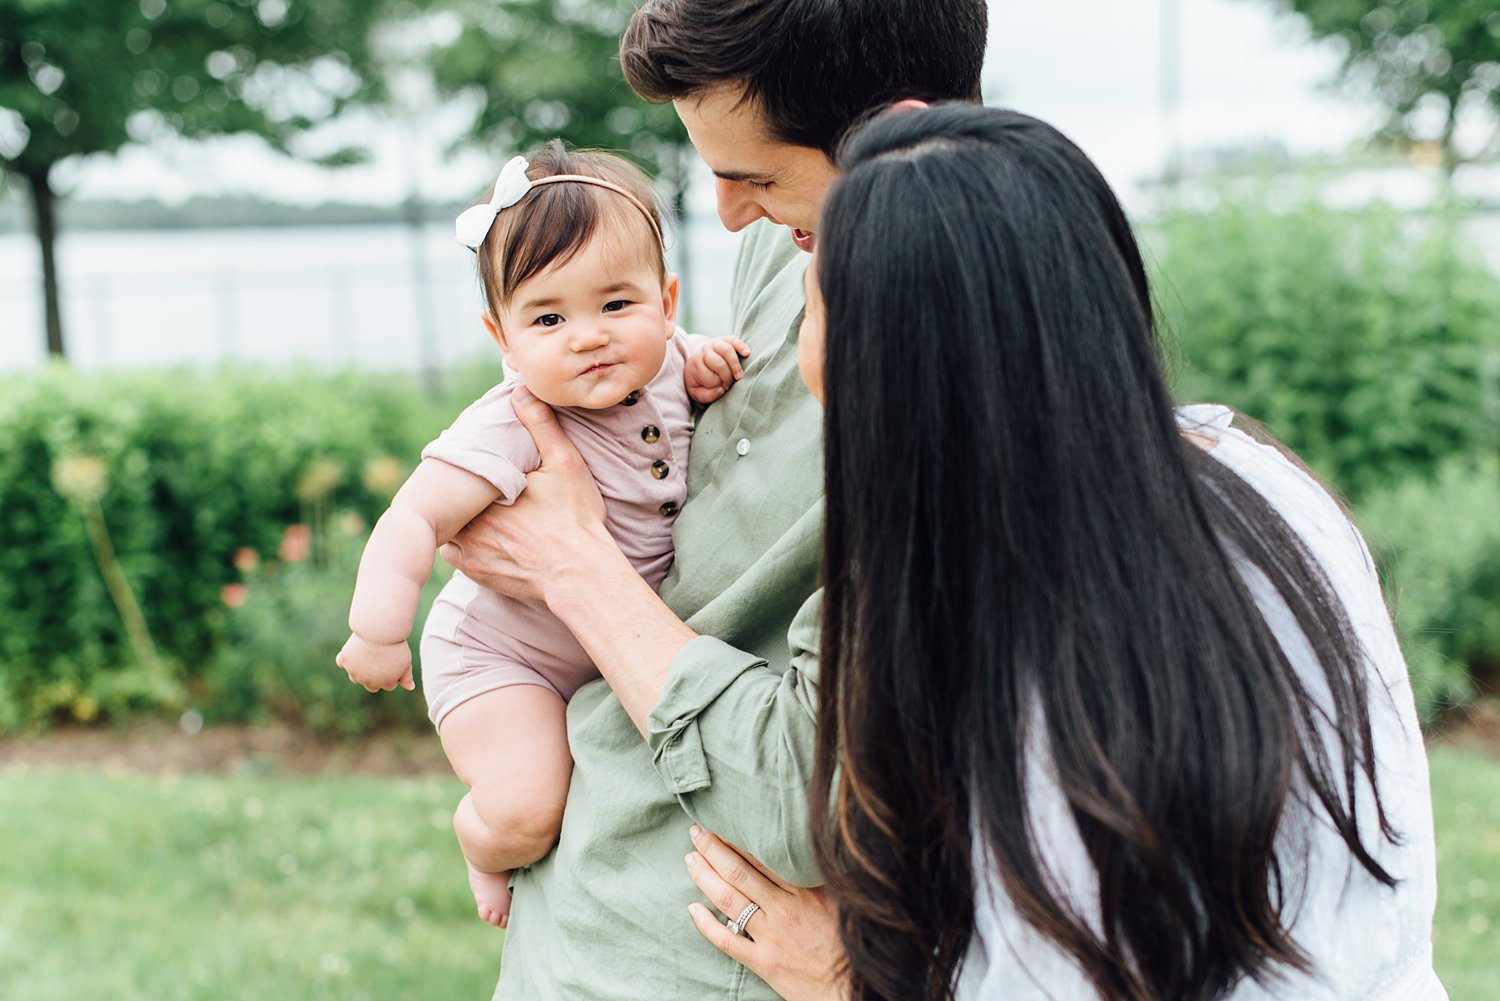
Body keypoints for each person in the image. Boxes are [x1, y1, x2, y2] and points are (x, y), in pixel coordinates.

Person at [680, 103, 1446, 1001]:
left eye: (811, 305)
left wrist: (850, 983)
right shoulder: (1259, 484)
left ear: (884, 363)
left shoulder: (1039, 656)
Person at [434, 1, 990, 997]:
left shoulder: (957, 357)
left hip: (701, 956)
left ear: (895, 138)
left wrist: (569, 562)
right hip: (578, 909)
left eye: (758, 177)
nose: (731, 215)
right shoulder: (797, 238)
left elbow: (810, 796)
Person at [334, 142, 750, 929]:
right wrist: (377, 628)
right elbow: (413, 516)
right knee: (530, 809)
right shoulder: (512, 422)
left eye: (616, 305)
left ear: (665, 298)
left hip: (604, 643)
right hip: (501, 654)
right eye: (549, 317)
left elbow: (692, 359)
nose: (588, 335)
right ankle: (478, 838)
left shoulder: (671, 363)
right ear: (503, 336)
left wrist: (711, 363)